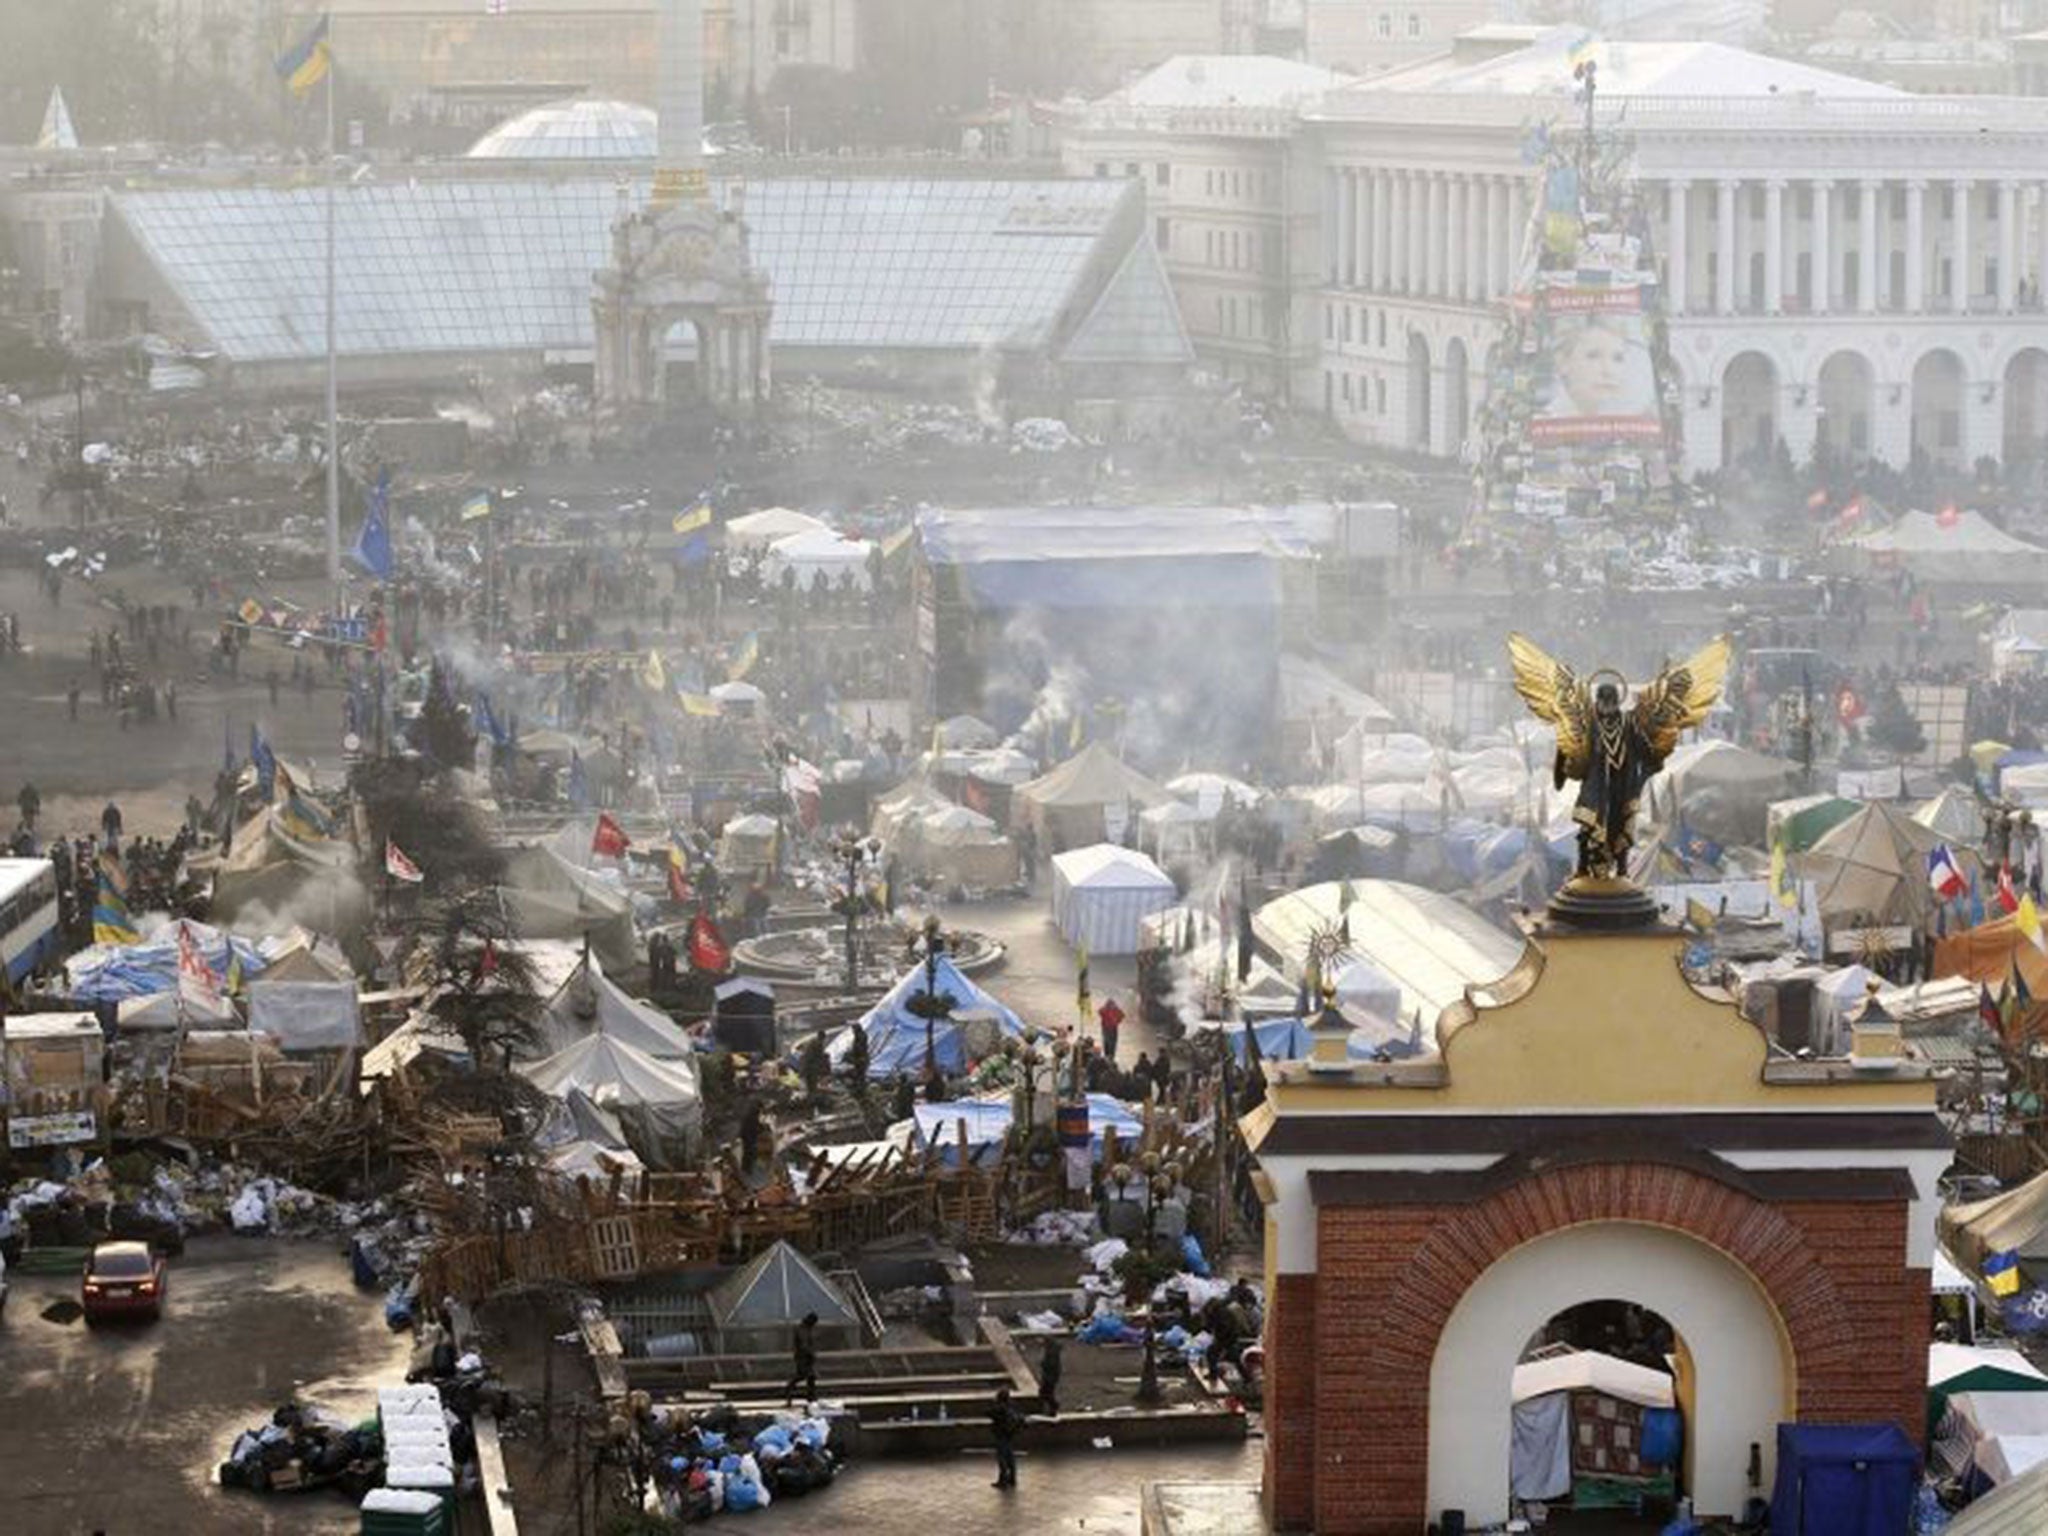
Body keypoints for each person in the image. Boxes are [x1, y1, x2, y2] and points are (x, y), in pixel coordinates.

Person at [988, 1385, 1025, 1489]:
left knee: (1002, 1458)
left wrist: (994, 1402)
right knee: (1010, 1457)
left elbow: (988, 1413)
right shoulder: (1012, 1406)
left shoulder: (999, 1408)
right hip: (1010, 1434)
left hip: (1001, 1435)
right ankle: (1012, 1478)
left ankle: (1003, 1480)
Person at [784, 1311, 819, 1406]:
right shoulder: (802, 1329)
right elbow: (804, 1344)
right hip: (803, 1358)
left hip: (806, 1357)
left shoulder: (807, 1328)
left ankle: (811, 1397)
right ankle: (789, 1389)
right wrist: (810, 1353)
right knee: (802, 1375)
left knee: (810, 1377)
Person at [1037, 1336, 1062, 1417]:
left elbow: (1050, 1364)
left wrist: (1043, 1364)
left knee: (1046, 1393)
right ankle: (1050, 1407)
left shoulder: (1051, 1353)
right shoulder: (1053, 1351)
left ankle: (1053, 1406)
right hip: (1051, 1376)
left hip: (1050, 1377)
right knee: (1045, 1392)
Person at [1097, 996, 1124, 1063]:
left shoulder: (1113, 1010)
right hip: (1108, 1029)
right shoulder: (1107, 1010)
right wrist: (1117, 1021)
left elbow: (1122, 1015)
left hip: (1111, 1029)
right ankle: (1109, 1057)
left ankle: (1110, 1057)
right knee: (1108, 1043)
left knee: (1110, 1044)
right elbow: (1100, 1012)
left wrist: (1117, 1021)